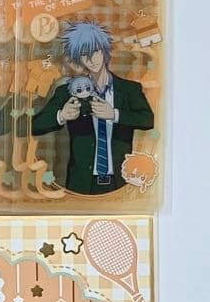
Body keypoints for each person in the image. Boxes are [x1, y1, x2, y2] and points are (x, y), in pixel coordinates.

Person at [30, 22, 154, 194]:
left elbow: (148, 120)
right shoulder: (68, 90)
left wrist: (114, 114)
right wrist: (61, 115)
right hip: (81, 182)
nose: (91, 59)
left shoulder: (129, 89)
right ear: (78, 58)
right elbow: (35, 125)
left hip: (121, 180)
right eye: (84, 54)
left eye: (95, 51)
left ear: (104, 50)